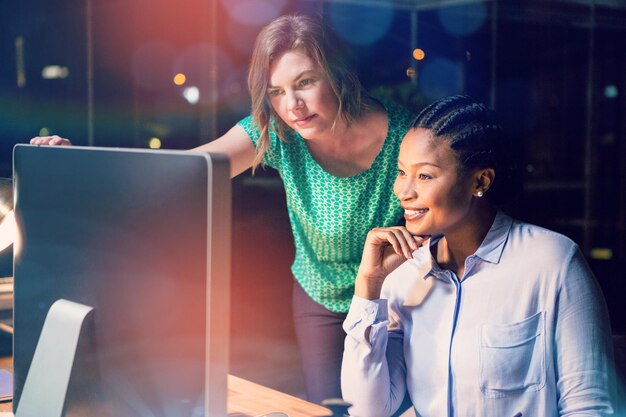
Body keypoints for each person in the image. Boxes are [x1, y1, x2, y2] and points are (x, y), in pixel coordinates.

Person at [30, 14, 415, 404]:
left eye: (305, 82)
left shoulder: (406, 136)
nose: (292, 105)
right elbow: (180, 173)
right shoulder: (276, 132)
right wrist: (76, 163)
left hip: (395, 295)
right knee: (330, 407)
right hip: (318, 295)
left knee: (394, 405)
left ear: (339, 74)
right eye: (276, 91)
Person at [341, 95, 615, 416]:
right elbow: (367, 410)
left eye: (424, 176)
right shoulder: (404, 275)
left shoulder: (553, 262)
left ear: (480, 181)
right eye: (402, 172)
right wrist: (369, 285)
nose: (404, 191)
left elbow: (590, 405)